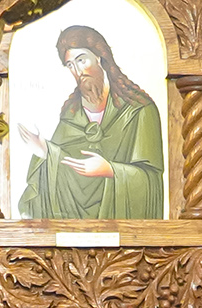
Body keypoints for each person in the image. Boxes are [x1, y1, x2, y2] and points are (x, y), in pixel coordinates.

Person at [18, 25, 164, 219]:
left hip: (124, 230)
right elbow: (65, 171)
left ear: (100, 57)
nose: (78, 71)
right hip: (73, 230)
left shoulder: (139, 110)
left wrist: (110, 170)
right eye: (70, 65)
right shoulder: (71, 114)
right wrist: (46, 151)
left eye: (81, 60)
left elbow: (152, 180)